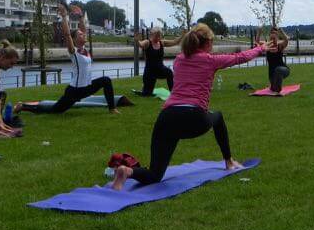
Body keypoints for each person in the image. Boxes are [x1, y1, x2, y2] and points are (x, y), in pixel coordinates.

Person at [112, 24, 265, 190]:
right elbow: (240, 57)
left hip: (167, 117)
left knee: (155, 174)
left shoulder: (179, 60)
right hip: (194, 117)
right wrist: (261, 48)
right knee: (218, 117)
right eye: (211, 43)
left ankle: (127, 171)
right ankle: (228, 161)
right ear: (206, 43)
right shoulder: (210, 60)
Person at [16, 5, 119, 115]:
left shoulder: (84, 49)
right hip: (75, 90)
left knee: (106, 80)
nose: (83, 35)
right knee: (55, 111)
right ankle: (22, 106)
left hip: (87, 87)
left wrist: (80, 17)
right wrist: (64, 16)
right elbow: (67, 34)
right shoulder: (73, 51)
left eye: (82, 34)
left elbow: (83, 29)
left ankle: (112, 109)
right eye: (80, 35)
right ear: (74, 39)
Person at [134, 27, 181, 95]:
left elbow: (174, 42)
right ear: (152, 35)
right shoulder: (147, 42)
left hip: (160, 70)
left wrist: (183, 36)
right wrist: (137, 40)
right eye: (156, 36)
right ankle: (144, 88)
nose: (158, 38)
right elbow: (141, 44)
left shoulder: (162, 42)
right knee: (147, 94)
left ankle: (173, 92)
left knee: (169, 73)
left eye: (159, 36)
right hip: (149, 72)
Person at [265, 27, 290, 93]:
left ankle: (279, 89)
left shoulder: (280, 46)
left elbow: (286, 40)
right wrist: (259, 32)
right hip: (272, 74)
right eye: (272, 33)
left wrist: (281, 32)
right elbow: (257, 41)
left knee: (278, 69)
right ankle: (274, 86)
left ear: (277, 36)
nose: (273, 37)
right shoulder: (267, 47)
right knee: (273, 88)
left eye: (275, 34)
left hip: (284, 69)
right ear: (270, 36)